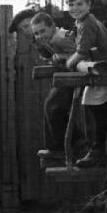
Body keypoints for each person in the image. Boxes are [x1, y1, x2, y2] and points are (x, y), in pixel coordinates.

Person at [64, 0, 107, 168]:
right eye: (71, 5)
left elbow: (82, 52)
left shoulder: (87, 23)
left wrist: (69, 63)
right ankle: (105, 148)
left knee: (96, 106)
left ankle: (98, 151)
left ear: (88, 4)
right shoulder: (86, 21)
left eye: (79, 4)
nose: (75, 8)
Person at [31, 12, 79, 160]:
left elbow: (83, 52)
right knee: (55, 109)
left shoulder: (61, 38)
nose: (39, 36)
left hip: (74, 76)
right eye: (36, 33)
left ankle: (59, 148)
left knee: (51, 106)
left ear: (52, 26)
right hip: (66, 75)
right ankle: (76, 142)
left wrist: (62, 58)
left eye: (42, 31)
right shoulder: (53, 38)